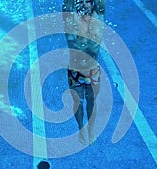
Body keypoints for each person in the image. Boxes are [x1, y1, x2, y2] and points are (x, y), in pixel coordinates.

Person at [62, 0, 106, 144]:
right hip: (75, 72)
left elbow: (101, 4)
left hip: (93, 71)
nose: (85, 5)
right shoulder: (70, 23)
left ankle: (90, 129)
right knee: (78, 102)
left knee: (92, 102)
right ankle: (81, 128)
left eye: (88, 1)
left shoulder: (98, 19)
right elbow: (66, 6)